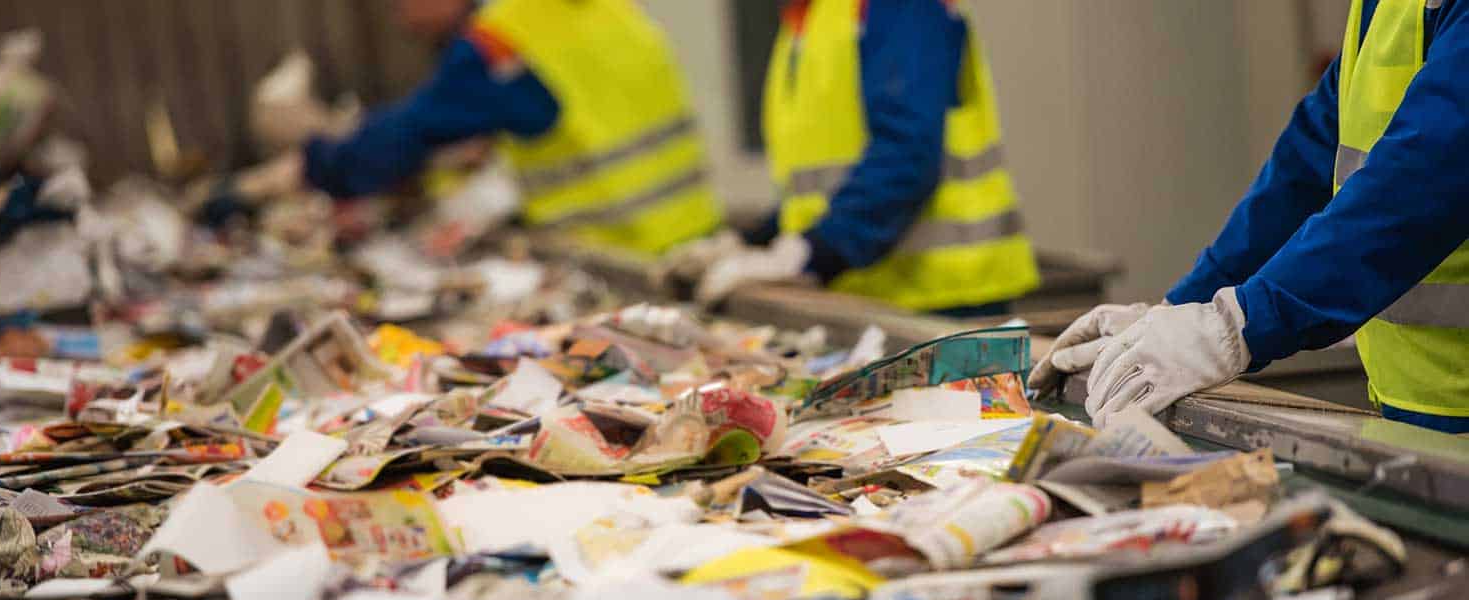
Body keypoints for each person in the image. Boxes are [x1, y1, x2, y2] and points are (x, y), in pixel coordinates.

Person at [1034, 0, 1469, 433]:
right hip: (1425, 419)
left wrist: (1241, 324)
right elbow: (1311, 160)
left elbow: (1426, 175)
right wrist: (1187, 308)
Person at [216, 0, 725, 257]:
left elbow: (401, 139)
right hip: (696, 250)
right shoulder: (614, 13)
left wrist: (289, 172)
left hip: (617, 260)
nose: (400, 15)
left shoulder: (504, 40)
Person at [684, 0, 1040, 317]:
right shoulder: (811, 18)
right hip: (877, 300)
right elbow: (820, 188)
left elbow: (906, 157)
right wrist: (751, 243)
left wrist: (808, 253)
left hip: (944, 301)